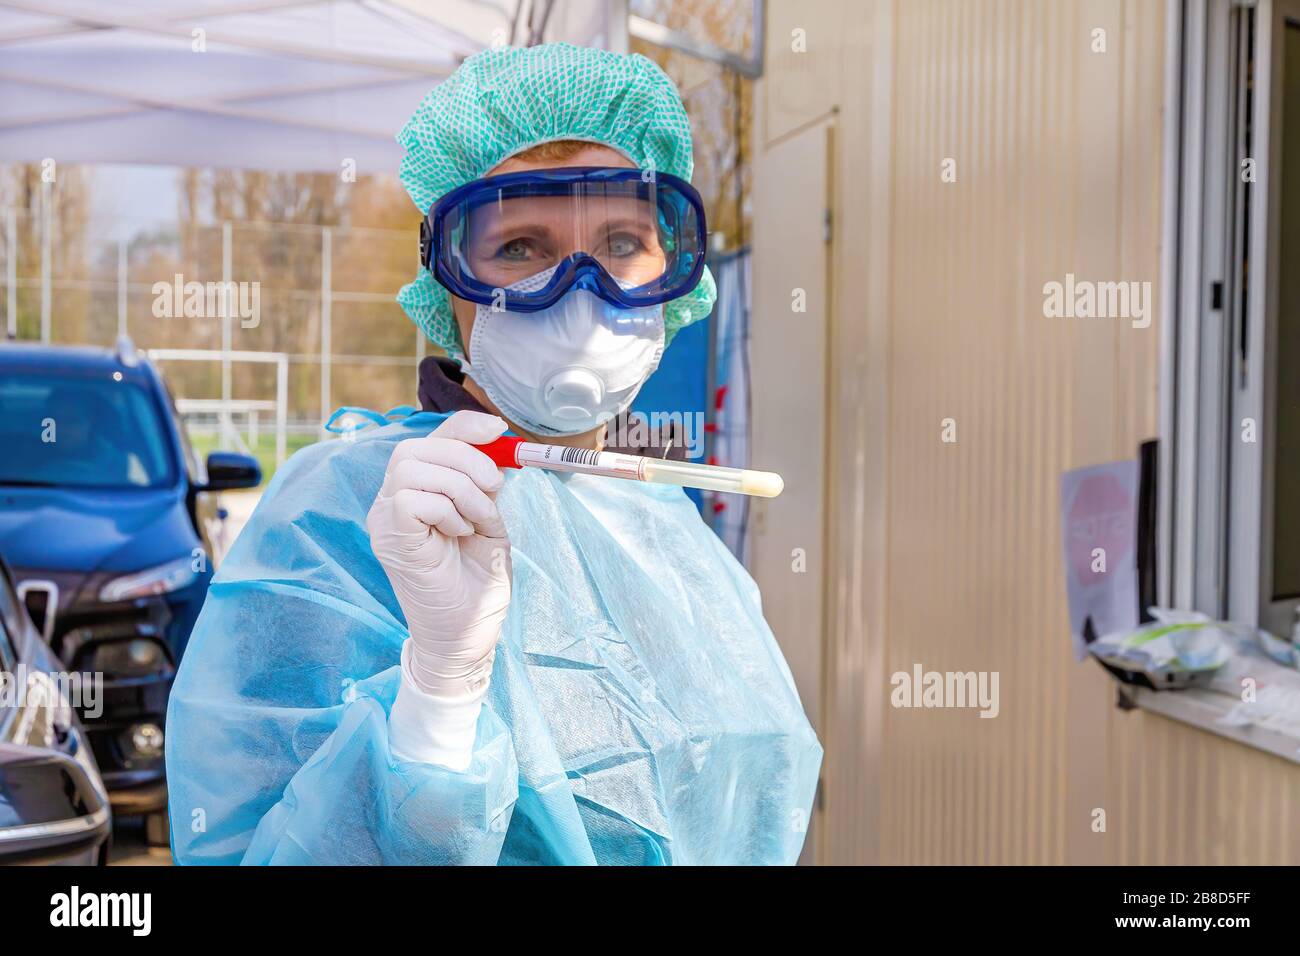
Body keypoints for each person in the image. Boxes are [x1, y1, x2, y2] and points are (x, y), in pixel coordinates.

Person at [166, 43, 821, 865]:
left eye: (622, 242)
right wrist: (438, 695)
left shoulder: (666, 530)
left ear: (675, 273)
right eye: (521, 250)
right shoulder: (344, 519)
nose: (581, 288)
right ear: (447, 284)